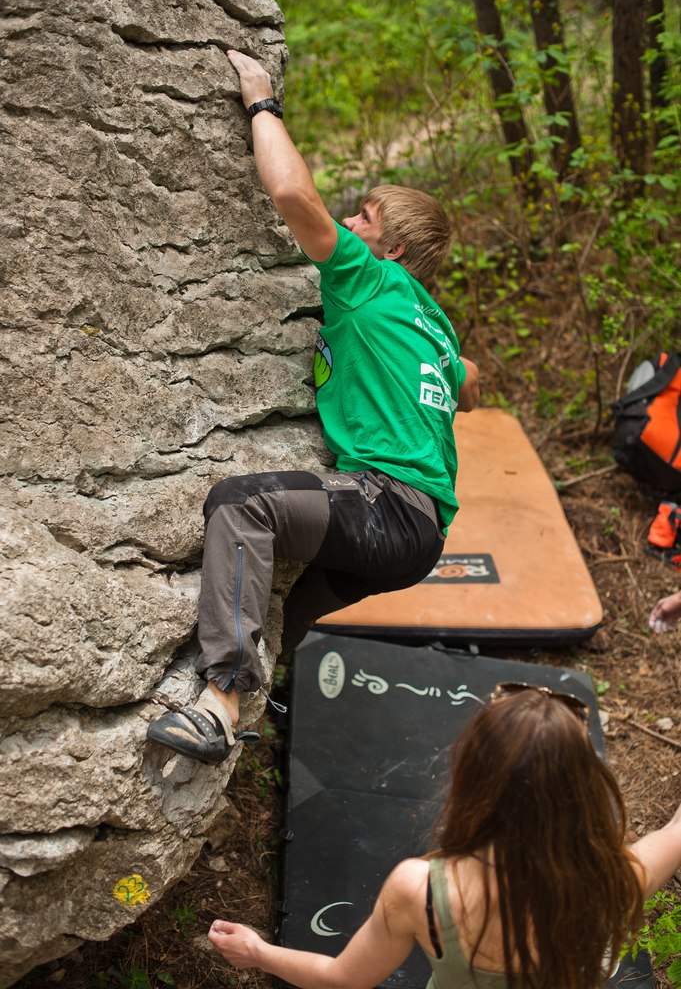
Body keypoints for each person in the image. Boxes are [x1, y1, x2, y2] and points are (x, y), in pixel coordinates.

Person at [146, 49, 480, 764]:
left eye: (365, 216)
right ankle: (267, 706)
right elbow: (469, 377)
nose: (350, 221)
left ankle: (221, 702)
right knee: (287, 605)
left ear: (390, 247)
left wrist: (260, 100)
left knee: (244, 505)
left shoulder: (368, 279)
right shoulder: (434, 323)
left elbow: (295, 198)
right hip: (422, 539)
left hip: (387, 506)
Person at [207, 683, 681, 989]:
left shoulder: (421, 890)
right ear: (583, 788)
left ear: (474, 775)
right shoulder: (619, 879)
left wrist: (259, 953)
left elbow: (342, 978)